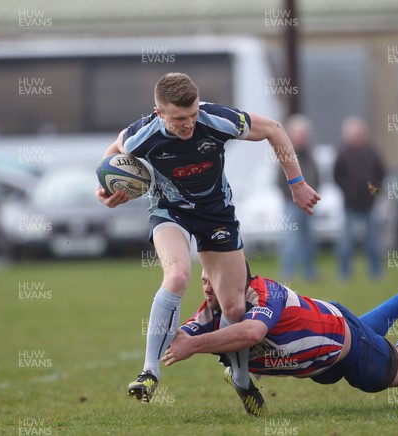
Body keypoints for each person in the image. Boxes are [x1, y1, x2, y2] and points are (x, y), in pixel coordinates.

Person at [96, 72, 320, 405]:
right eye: (178, 119)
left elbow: (274, 129)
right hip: (169, 211)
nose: (188, 124)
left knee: (233, 304)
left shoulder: (216, 119)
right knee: (177, 276)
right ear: (160, 114)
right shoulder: (141, 135)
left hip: (217, 215)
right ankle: (149, 372)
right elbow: (113, 156)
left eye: (192, 115)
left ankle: (241, 378)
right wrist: (109, 189)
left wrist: (296, 183)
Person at [160, 261, 398, 416]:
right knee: (362, 333)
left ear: (239, 278)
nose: (206, 286)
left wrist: (193, 346)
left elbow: (252, 332)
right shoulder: (211, 310)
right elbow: (179, 336)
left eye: (212, 278)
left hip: (339, 344)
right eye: (203, 279)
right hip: (326, 352)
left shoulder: (263, 293)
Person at [333, 117, 386, 279]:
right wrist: (347, 191)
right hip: (350, 204)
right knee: (346, 243)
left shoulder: (373, 153)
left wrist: (375, 192)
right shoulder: (342, 154)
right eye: (354, 134)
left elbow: (382, 174)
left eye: (359, 133)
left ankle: (376, 273)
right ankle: (344, 273)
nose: (357, 137)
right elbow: (337, 176)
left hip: (369, 204)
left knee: (373, 242)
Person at [275, 114, 320, 280]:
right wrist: (295, 196)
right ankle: (287, 272)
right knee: (290, 241)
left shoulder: (310, 155)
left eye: (304, 134)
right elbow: (279, 181)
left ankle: (310, 272)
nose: (302, 138)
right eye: (299, 134)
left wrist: (310, 196)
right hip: (291, 204)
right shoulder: (286, 155)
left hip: (308, 205)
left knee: (309, 240)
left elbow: (317, 177)